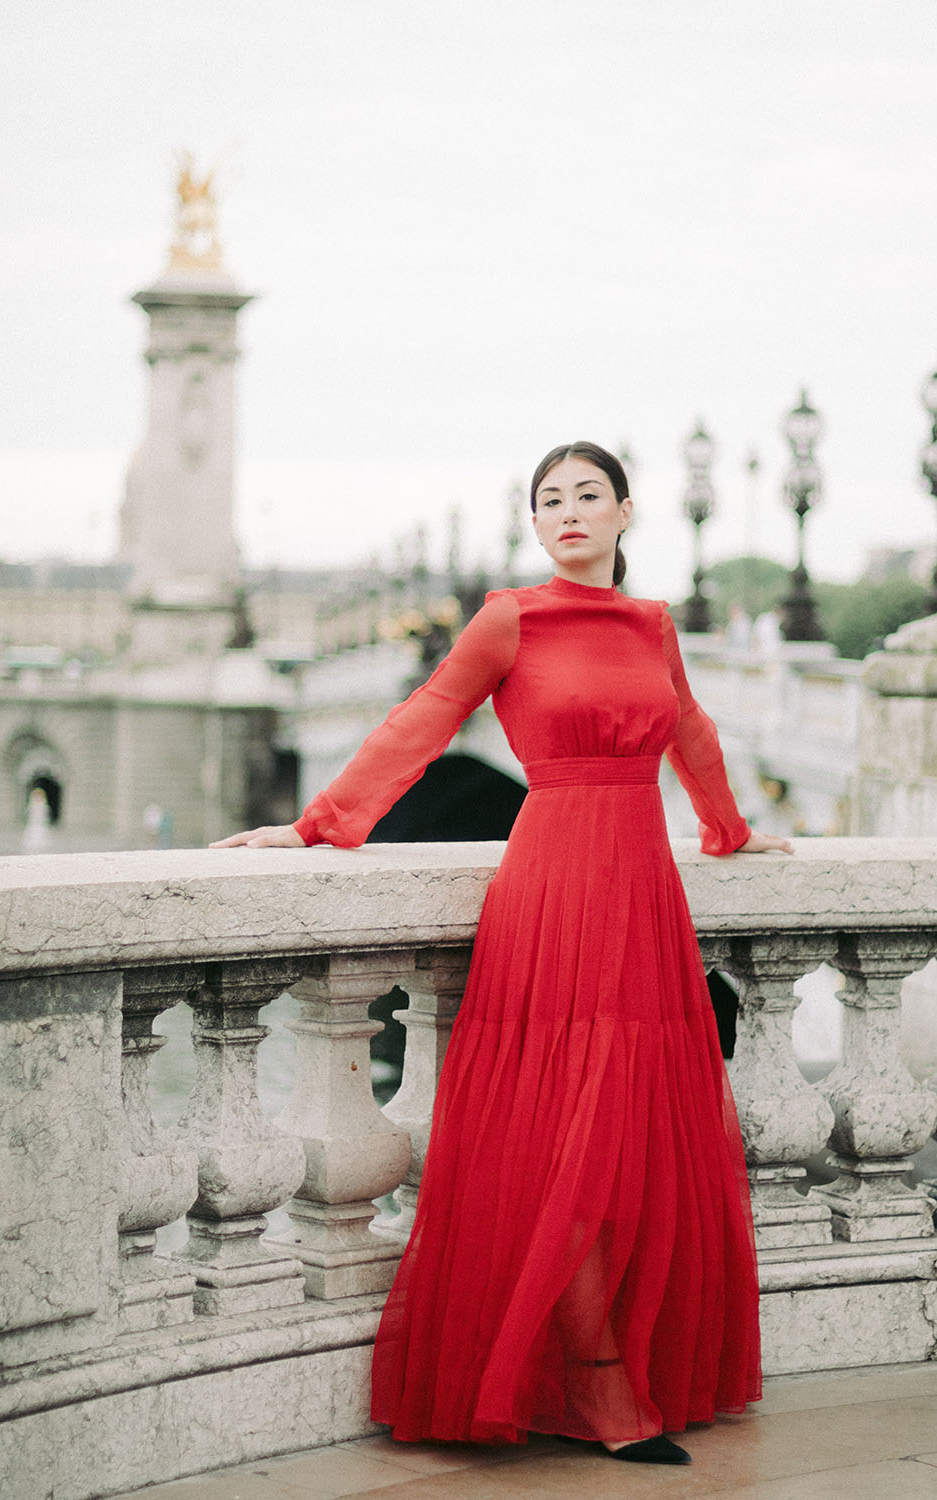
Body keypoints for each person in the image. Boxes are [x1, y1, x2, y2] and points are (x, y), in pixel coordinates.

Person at [212, 441, 793, 1466]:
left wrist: (732, 830)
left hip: (643, 898)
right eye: (547, 501)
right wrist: (315, 826)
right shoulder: (509, 617)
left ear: (624, 511)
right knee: (563, 1139)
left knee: (632, 1139)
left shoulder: (653, 626)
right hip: (555, 888)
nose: (566, 513)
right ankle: (597, 1383)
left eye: (585, 496)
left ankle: (616, 1363)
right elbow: (425, 719)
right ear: (536, 525)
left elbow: (690, 731)